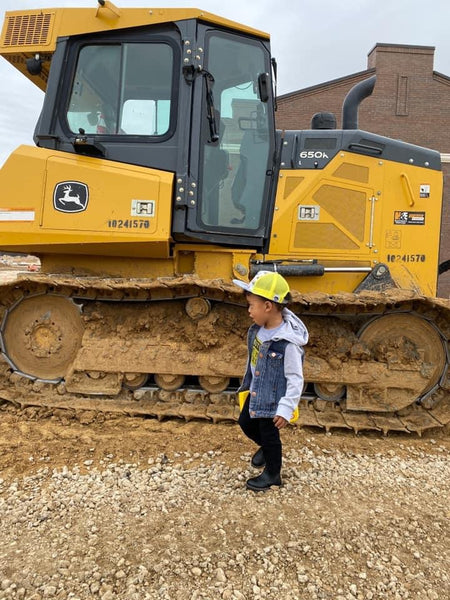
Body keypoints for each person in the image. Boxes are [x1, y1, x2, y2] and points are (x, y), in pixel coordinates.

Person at [233, 271, 308, 492]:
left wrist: (286, 408)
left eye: (251, 305)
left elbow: (295, 378)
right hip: (257, 390)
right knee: (245, 422)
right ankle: (266, 449)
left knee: (270, 435)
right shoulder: (259, 330)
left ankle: (273, 474)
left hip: (274, 397)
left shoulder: (288, 344)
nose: (248, 311)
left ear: (267, 306)